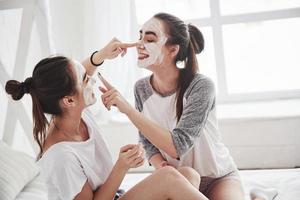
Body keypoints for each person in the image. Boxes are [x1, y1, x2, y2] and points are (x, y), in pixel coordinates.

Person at [5, 38, 207, 200]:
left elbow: (71, 78)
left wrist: (100, 55)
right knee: (169, 178)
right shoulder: (61, 157)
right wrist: (121, 166)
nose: (92, 79)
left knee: (189, 175)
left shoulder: (73, 111)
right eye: (86, 80)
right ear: (68, 100)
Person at [98, 13, 246, 200]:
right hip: (180, 176)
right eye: (139, 36)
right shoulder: (141, 88)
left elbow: (178, 146)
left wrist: (127, 109)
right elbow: (147, 140)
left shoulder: (200, 86)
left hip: (218, 177)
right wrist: (159, 163)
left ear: (173, 50)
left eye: (150, 39)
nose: (139, 44)